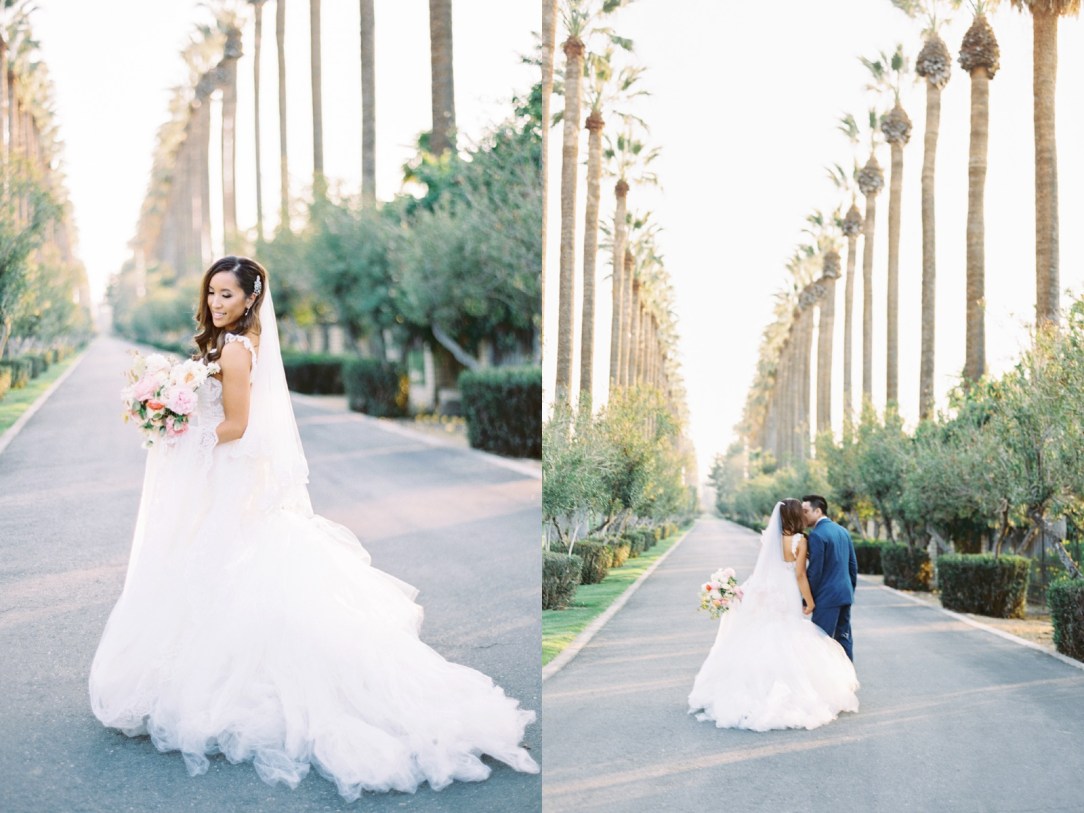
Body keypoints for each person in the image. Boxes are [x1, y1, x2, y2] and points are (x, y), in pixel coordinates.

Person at [89, 257, 539, 801]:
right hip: (236, 482)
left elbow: (236, 425)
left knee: (222, 572)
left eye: (227, 295)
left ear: (251, 299)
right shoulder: (239, 343)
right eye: (211, 293)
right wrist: (170, 409)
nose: (216, 303)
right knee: (227, 576)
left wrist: (178, 430)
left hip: (230, 479)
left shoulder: (234, 350)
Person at [688, 499, 859, 731]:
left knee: (766, 635)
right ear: (795, 516)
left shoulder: (768, 540)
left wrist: (750, 593)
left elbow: (764, 571)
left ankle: (754, 690)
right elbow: (800, 575)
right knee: (793, 637)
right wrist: (809, 601)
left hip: (772, 594)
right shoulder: (801, 540)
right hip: (789, 594)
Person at [802, 493, 858, 661]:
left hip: (826, 598)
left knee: (821, 639)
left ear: (818, 511)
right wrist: (849, 590)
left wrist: (806, 599)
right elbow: (852, 566)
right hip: (844, 595)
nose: (802, 515)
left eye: (805, 511)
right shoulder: (843, 531)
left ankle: (824, 681)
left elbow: (815, 572)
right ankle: (847, 677)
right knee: (844, 637)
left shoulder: (817, 535)